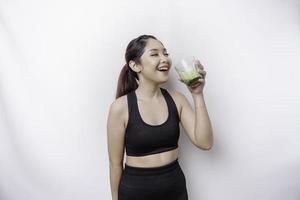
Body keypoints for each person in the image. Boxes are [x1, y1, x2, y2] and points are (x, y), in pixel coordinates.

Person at [107, 34, 213, 200]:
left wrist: (197, 94)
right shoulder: (120, 108)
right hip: (135, 193)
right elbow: (115, 165)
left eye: (165, 53)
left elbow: (205, 143)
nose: (164, 59)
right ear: (135, 65)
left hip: (175, 190)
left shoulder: (177, 99)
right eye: (155, 54)